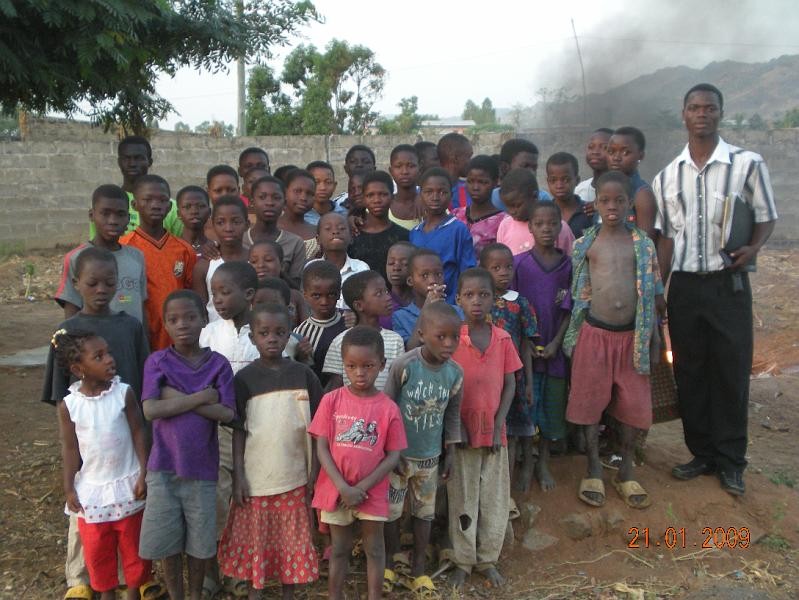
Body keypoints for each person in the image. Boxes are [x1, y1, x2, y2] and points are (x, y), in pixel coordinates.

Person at [653, 83, 778, 496]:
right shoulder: (667, 176)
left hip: (729, 284)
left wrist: (753, 248)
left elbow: (765, 216)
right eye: (694, 107)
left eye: (710, 107)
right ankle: (702, 453)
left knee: (730, 371)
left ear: (721, 113)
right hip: (685, 287)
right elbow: (667, 237)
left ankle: (730, 461)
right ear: (683, 114)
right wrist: (659, 287)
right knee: (690, 371)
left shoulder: (747, 164)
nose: (702, 114)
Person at [42, 248, 151, 600]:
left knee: (128, 526)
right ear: (77, 285)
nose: (101, 289)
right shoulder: (67, 331)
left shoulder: (129, 326)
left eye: (109, 282)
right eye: (92, 283)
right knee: (88, 523)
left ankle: (132, 580)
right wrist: (69, 476)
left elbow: (143, 377)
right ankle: (82, 579)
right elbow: (63, 398)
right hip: (89, 441)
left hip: (124, 434)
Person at [563, 172, 664, 509]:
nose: (612, 206)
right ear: (595, 201)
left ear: (629, 202)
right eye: (605, 200)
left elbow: (654, 292)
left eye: (619, 200)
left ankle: (626, 469)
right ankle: (593, 466)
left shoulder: (643, 244)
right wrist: (573, 338)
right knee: (590, 402)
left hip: (632, 337)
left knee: (633, 405)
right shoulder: (585, 244)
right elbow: (578, 294)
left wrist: (654, 336)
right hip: (594, 334)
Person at [218, 303, 322, 599]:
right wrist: (239, 476)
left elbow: (317, 429)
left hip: (295, 475)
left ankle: (288, 591)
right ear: (252, 338)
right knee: (258, 538)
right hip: (257, 477)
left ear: (290, 334)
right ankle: (256, 589)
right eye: (264, 333)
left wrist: (314, 472)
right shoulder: (244, 380)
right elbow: (239, 432)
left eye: (279, 332)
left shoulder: (304, 375)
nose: (272, 339)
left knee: (291, 538)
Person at [138, 290, 236, 600]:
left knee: (200, 541)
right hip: (163, 467)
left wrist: (173, 396)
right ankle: (176, 594)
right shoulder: (158, 361)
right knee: (167, 541)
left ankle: (195, 594)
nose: (183, 325)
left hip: (203, 470)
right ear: (165, 325)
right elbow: (150, 409)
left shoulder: (218, 364)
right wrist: (200, 397)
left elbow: (227, 413)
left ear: (204, 320)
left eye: (191, 317)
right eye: (174, 319)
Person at [309, 326, 407, 600]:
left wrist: (361, 487)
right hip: (336, 490)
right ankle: (334, 595)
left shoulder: (388, 408)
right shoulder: (332, 401)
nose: (360, 373)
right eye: (351, 366)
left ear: (382, 365)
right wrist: (343, 487)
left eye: (368, 366)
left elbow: (393, 456)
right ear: (344, 365)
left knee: (374, 549)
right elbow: (321, 446)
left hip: (371, 492)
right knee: (339, 549)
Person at [53, 330, 150, 600]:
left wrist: (143, 472)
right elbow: (71, 448)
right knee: (97, 553)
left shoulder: (124, 393)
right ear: (78, 368)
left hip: (127, 485)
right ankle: (106, 594)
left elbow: (138, 432)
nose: (109, 359)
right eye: (99, 356)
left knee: (133, 550)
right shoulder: (70, 405)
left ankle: (132, 593)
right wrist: (69, 487)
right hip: (93, 491)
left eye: (108, 352)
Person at [382, 303, 463, 596]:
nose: (449, 344)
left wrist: (450, 454)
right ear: (421, 334)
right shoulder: (405, 365)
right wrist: (391, 453)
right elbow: (388, 409)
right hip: (399, 457)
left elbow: (453, 416)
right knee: (391, 512)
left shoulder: (455, 373)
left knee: (424, 513)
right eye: (441, 336)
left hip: (430, 458)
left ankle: (418, 569)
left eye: (455, 337)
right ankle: (390, 562)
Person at [448, 268, 522, 589]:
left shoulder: (503, 339)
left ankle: (488, 558)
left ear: (495, 299)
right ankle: (463, 561)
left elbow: (510, 384)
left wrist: (497, 426)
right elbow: (448, 387)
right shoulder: (452, 341)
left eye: (484, 295)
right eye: (469, 295)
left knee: (493, 497)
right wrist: (456, 428)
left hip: (494, 434)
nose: (476, 301)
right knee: (463, 496)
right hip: (461, 434)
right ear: (458, 299)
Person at [511, 202, 573, 491]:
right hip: (527, 352)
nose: (546, 229)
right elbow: (513, 310)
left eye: (552, 223)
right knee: (528, 407)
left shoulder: (568, 265)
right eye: (539, 223)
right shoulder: (519, 264)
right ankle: (527, 461)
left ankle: (544, 460)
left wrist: (555, 343)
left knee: (552, 407)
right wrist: (528, 344)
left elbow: (569, 310)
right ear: (531, 227)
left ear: (561, 226)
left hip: (556, 351)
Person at [479, 243, 538, 491]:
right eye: (496, 268)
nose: (503, 272)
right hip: (486, 380)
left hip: (514, 377)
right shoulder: (480, 302)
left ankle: (508, 488)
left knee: (510, 434)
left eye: (507, 267)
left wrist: (529, 383)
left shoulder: (520, 303)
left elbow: (526, 345)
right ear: (483, 270)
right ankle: (489, 487)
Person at [121, 174, 196, 350]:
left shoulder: (184, 250)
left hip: (176, 339)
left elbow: (189, 293)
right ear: (135, 205)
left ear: (170, 206)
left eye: (162, 200)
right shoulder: (123, 247)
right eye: (147, 199)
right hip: (138, 337)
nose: (155, 205)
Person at [56, 184, 147, 324]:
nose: (113, 221)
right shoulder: (76, 258)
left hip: (130, 343)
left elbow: (140, 307)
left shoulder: (136, 257)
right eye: (105, 213)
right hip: (93, 342)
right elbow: (71, 311)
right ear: (92, 215)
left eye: (120, 214)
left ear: (128, 218)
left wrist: (144, 343)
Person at [323, 270, 405, 392]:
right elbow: (335, 386)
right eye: (379, 294)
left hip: (385, 408)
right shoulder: (341, 341)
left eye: (386, 291)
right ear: (359, 305)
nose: (388, 298)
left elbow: (399, 382)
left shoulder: (395, 340)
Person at [90, 136, 181, 238]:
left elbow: (181, 248)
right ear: (119, 162)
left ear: (150, 162)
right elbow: (97, 248)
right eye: (126, 158)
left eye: (138, 158)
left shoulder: (170, 207)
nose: (132, 164)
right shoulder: (105, 204)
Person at [410, 167, 476, 304]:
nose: (435, 197)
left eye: (442, 192)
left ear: (451, 195)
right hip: (420, 308)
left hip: (450, 307)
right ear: (420, 195)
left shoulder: (458, 230)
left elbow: (467, 273)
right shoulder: (414, 232)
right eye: (429, 192)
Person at [193, 196, 250, 322]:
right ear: (213, 225)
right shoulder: (204, 266)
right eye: (221, 222)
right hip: (215, 338)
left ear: (247, 225)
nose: (228, 228)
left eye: (236, 222)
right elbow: (201, 312)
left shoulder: (256, 261)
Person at [245, 175, 306, 289]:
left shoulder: (295, 242)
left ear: (284, 203)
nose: (269, 203)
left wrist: (279, 271)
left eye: (276, 198)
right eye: (262, 197)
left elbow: (297, 288)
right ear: (252, 202)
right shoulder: (239, 240)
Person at [347, 170, 410, 281]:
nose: (377, 200)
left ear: (392, 197)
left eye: (383, 194)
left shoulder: (404, 236)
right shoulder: (353, 233)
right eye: (370, 195)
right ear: (364, 198)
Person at [496, 168, 575, 256]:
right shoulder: (505, 226)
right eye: (508, 206)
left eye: (517, 205)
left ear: (535, 196)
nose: (512, 211)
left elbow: (573, 262)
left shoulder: (557, 227)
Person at [294, 260, 347, 386]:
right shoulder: (301, 333)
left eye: (330, 295)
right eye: (316, 296)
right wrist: (302, 358)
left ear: (339, 293)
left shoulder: (350, 321)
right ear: (305, 295)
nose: (324, 301)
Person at [308, 212, 369, 309]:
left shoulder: (361, 268)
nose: (335, 231)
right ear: (318, 239)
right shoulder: (311, 268)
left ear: (351, 238)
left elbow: (366, 304)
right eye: (328, 229)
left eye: (342, 228)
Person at [607, 126, 657, 238]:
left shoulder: (642, 195)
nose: (616, 157)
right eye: (611, 151)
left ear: (641, 155)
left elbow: (644, 246)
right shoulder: (604, 189)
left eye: (625, 152)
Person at [392, 249, 448, 347]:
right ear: (410, 281)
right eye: (424, 275)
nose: (433, 281)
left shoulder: (457, 312)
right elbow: (410, 350)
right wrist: (426, 308)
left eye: (438, 274)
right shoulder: (401, 317)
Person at [248, 240, 307, 326]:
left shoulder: (295, 296)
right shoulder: (247, 295)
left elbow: (305, 326)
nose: (260, 265)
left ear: (282, 265)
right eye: (254, 262)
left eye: (268, 260)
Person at [453, 155, 504, 254]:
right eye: (470, 181)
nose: (475, 187)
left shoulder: (503, 222)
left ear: (496, 182)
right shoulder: (455, 215)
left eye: (482, 182)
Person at [491, 138, 552, 211]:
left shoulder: (542, 199)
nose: (532, 173)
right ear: (504, 168)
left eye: (534, 168)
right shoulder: (489, 199)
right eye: (525, 166)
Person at [546, 152, 593, 238]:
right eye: (553, 180)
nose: (559, 185)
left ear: (577, 180)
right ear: (548, 182)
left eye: (566, 180)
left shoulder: (588, 211)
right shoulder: (544, 213)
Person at [277, 169, 320, 260]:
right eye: (297, 191)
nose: (303, 198)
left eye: (309, 193)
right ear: (284, 192)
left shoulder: (318, 232)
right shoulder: (272, 228)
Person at [379, 241, 415, 330]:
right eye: (391, 263)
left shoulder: (423, 303)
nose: (396, 268)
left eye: (404, 263)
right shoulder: (380, 304)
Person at [574, 128, 613, 204]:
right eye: (591, 147)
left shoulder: (626, 189)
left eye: (604, 147)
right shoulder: (579, 190)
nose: (595, 152)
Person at [388, 144, 422, 230]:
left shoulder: (432, 203)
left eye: (411, 166)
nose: (405, 172)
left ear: (420, 169)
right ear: (391, 171)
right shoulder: (382, 204)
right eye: (398, 166)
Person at [437, 133, 473, 210]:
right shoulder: (469, 191)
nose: (471, 162)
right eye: (469, 157)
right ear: (456, 158)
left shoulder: (471, 189)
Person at [305, 160, 345, 225]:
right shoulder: (300, 215)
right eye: (316, 182)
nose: (323, 188)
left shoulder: (345, 214)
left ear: (334, 186)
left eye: (328, 182)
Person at [176, 186, 212, 258]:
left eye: (201, 206)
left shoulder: (216, 249)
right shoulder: (170, 248)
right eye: (187, 207)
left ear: (209, 212)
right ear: (178, 214)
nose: (194, 211)